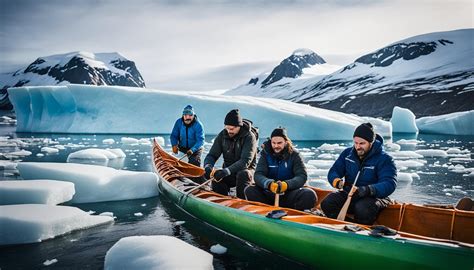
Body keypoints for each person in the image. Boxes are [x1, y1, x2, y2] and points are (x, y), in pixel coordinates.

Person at [320, 123, 397, 225]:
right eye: (355, 143)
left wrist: (367, 189)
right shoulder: (347, 154)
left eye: (362, 143)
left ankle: (362, 228)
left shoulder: (385, 159)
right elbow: (334, 171)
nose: (357, 147)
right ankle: (347, 226)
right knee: (328, 203)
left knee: (362, 208)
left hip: (375, 197)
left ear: (371, 142)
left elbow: (390, 183)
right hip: (350, 194)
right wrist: (337, 181)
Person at [245, 128, 317, 211]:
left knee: (309, 194)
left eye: (279, 143)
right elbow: (258, 174)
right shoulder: (265, 154)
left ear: (286, 142)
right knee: (250, 190)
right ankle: (263, 211)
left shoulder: (295, 155)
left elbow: (302, 176)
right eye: (273, 143)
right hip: (269, 193)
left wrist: (286, 185)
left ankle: (294, 214)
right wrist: (269, 184)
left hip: (289, 194)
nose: (276, 146)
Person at [203, 109, 257, 199]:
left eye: (231, 129)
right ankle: (221, 200)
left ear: (239, 126)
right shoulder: (223, 135)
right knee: (216, 177)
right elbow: (212, 155)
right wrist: (208, 166)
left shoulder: (249, 137)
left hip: (247, 172)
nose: (229, 131)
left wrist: (226, 171)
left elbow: (245, 161)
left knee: (243, 174)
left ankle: (242, 202)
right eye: (227, 128)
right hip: (228, 171)